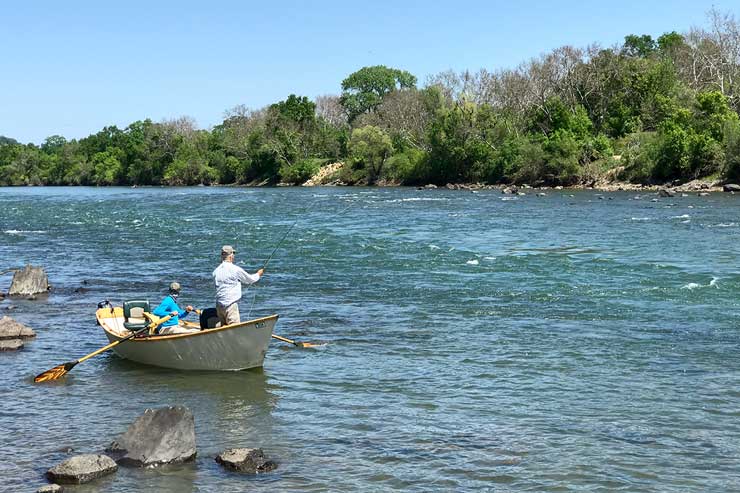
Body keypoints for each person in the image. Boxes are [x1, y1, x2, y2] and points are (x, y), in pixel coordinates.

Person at [212, 245, 264, 326]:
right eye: (233, 254)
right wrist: (258, 274)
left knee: (224, 329)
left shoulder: (215, 271)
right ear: (231, 255)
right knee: (234, 329)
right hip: (230, 305)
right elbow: (250, 279)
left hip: (219, 306)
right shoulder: (235, 269)